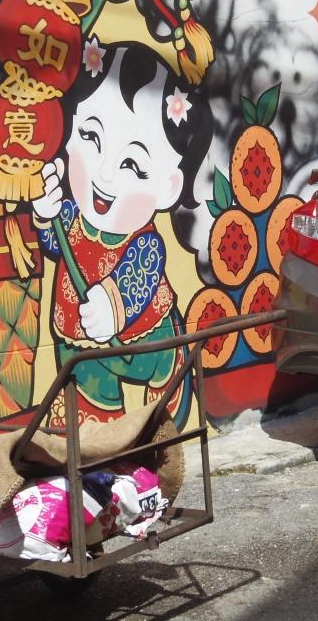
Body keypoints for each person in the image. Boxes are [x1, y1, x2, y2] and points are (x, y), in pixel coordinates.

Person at [33, 41, 212, 428]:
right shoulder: (72, 214)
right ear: (70, 133)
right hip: (78, 339)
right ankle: (96, 447)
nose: (106, 174)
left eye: (132, 163)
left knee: (162, 410)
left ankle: (160, 426)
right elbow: (56, 242)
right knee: (89, 408)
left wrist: (112, 305)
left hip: (146, 338)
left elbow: (138, 277)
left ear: (169, 186)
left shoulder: (146, 244)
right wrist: (46, 216)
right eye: (91, 138)